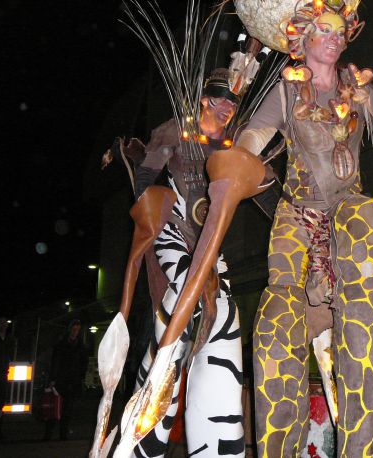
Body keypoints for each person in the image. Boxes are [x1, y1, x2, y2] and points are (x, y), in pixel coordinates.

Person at [228, 1, 373, 455]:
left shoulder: (357, 89)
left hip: (346, 211)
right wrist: (238, 158)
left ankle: (359, 446)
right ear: (303, 37)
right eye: (324, 30)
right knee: (276, 320)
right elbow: (255, 135)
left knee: (368, 229)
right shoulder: (285, 92)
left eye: (340, 31)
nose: (335, 39)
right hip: (296, 218)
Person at [116, 68, 245, 458]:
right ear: (204, 98)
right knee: (187, 293)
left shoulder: (233, 144)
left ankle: (217, 434)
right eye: (219, 98)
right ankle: (149, 413)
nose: (226, 107)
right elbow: (146, 177)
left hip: (209, 246)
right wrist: (151, 215)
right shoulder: (177, 131)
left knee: (224, 311)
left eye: (232, 102)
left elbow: (260, 184)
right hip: (173, 235)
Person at [44, 318, 88, 441]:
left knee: (68, 409)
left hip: (72, 381)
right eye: (74, 329)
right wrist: (53, 379)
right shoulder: (61, 344)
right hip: (61, 380)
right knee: (55, 406)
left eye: (77, 330)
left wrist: (81, 378)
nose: (75, 332)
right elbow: (55, 362)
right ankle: (49, 433)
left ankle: (63, 434)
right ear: (69, 329)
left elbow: (83, 363)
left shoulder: (80, 346)